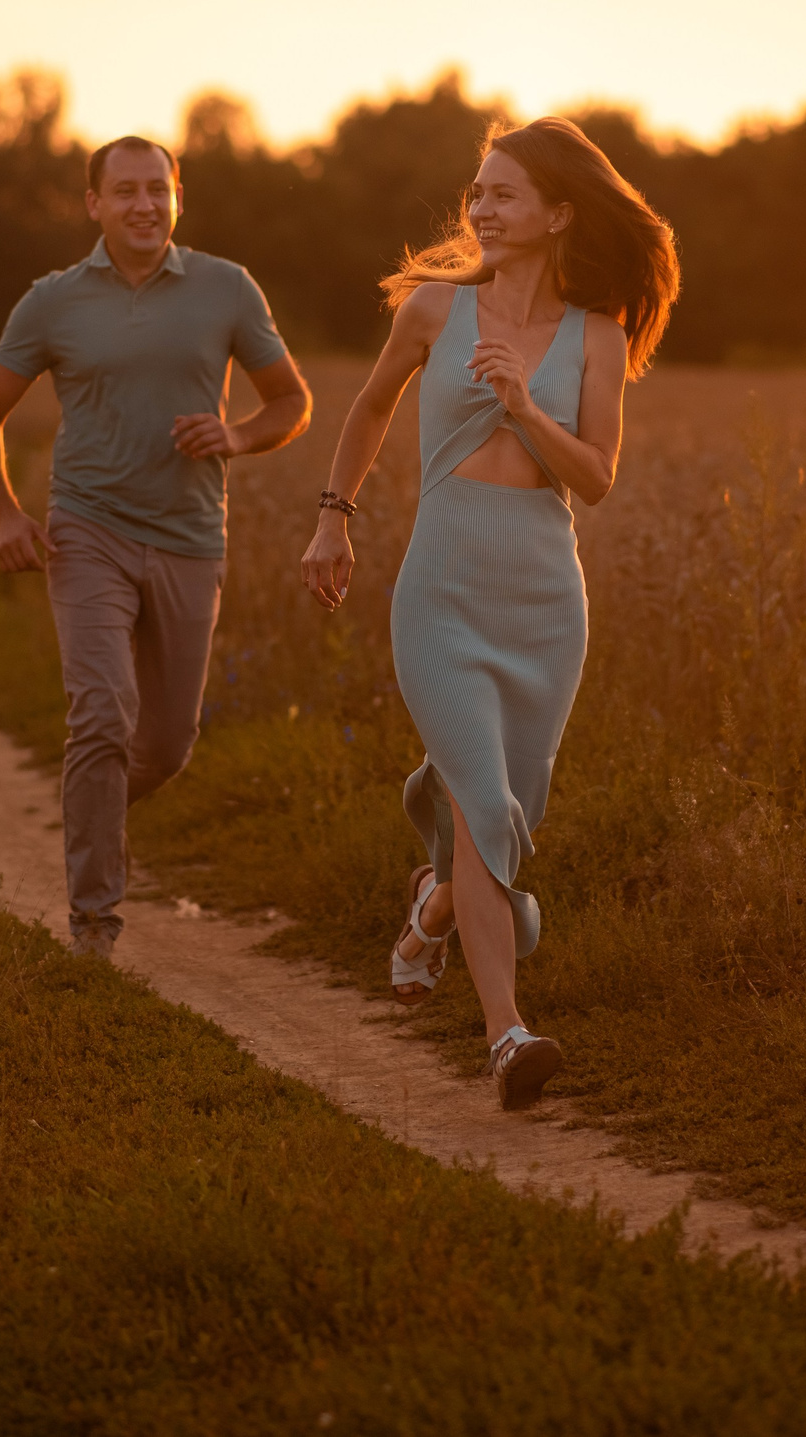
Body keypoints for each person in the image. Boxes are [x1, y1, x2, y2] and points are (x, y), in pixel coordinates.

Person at [298, 118, 679, 1109]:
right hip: (442, 592)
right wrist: (333, 518)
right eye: (478, 191)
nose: (480, 208)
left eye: (504, 193)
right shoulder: (435, 309)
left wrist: (522, 403)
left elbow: (595, 478)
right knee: (479, 807)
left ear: (559, 214)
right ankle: (507, 1034)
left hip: (545, 603)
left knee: (504, 819)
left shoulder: (597, 336)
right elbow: (370, 405)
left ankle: (432, 909)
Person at [0, 135, 311, 960]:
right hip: (87, 530)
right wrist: (5, 514)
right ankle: (94, 919)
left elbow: (290, 401)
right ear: (94, 203)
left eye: (158, 188)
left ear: (178, 195)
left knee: (166, 746)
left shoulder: (227, 287)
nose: (144, 204)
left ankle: (90, 808)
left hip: (191, 537)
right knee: (102, 713)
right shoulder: (52, 301)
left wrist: (235, 435)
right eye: (125, 191)